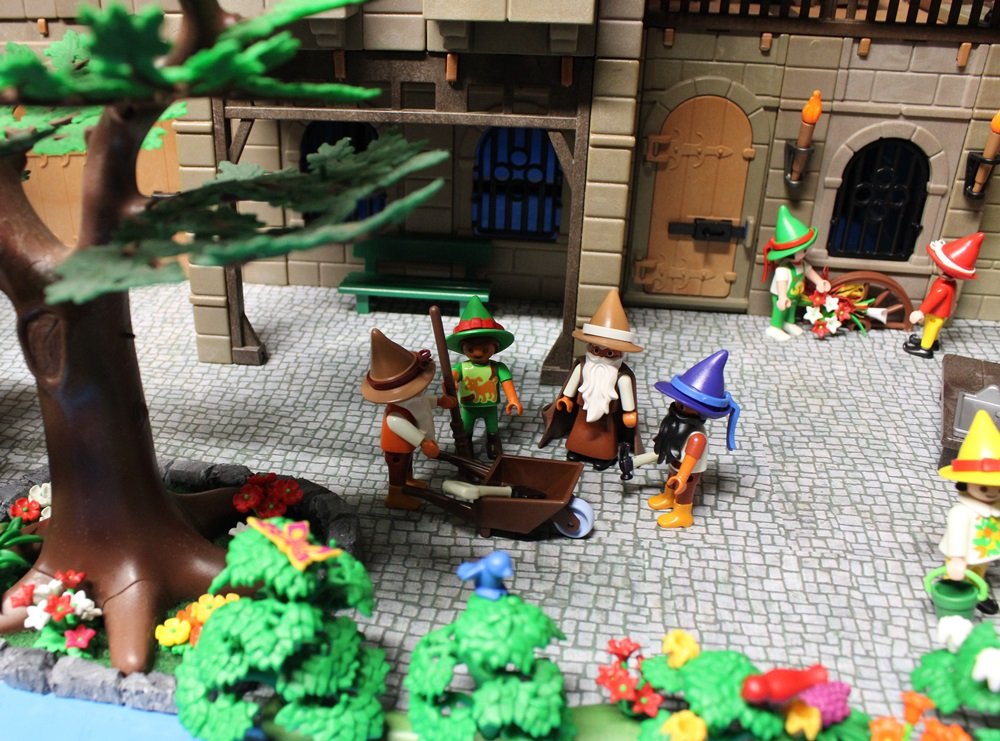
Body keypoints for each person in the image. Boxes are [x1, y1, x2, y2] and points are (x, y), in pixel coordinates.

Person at [539, 289, 642, 470]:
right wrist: (566, 399)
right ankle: (577, 449)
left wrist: (629, 413)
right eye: (596, 350)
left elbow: (628, 399)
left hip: (606, 418)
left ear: (619, 353)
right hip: (583, 411)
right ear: (589, 347)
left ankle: (603, 456)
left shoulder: (621, 377)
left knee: (604, 436)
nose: (601, 356)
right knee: (580, 430)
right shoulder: (583, 366)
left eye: (609, 353)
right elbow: (571, 386)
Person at [361, 329, 457, 510]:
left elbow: (421, 403)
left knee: (407, 464)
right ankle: (395, 495)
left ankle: (408, 481)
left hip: (406, 445)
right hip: (396, 447)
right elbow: (400, 425)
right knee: (398, 470)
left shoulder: (412, 399)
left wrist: (439, 401)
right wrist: (423, 442)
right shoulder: (395, 414)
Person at [647, 350, 741, 528]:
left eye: (683, 405)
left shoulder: (697, 437)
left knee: (684, 490)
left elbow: (690, 459)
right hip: (676, 463)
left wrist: (682, 476)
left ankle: (682, 513)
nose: (677, 406)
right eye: (678, 402)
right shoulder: (678, 425)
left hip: (688, 471)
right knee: (671, 478)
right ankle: (668, 497)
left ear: (700, 410)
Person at [939, 410, 1000, 614]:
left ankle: (977, 590)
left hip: (984, 549)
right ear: (965, 482)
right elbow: (957, 535)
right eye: (983, 487)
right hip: (964, 553)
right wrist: (957, 557)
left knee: (980, 570)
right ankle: (949, 590)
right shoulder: (962, 512)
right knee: (958, 573)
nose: (992, 492)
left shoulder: (996, 507)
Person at [447, 297, 522, 458]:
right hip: (468, 407)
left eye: (484, 349)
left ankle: (493, 443)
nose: (478, 353)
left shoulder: (498, 367)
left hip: (490, 406)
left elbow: (506, 383)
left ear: (495, 347)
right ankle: (466, 447)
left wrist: (513, 399)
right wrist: (451, 381)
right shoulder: (462, 367)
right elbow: (453, 375)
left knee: (492, 428)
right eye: (471, 349)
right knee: (466, 429)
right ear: (463, 348)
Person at [904, 233, 984, 359]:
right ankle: (933, 342)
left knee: (930, 328)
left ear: (944, 269)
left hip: (936, 313)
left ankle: (925, 348)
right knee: (935, 328)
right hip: (943, 314)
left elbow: (932, 300)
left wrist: (921, 311)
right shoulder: (951, 283)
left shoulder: (942, 287)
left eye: (938, 264)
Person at [762, 205, 831, 341]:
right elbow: (781, 284)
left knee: (792, 309)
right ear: (790, 253)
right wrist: (782, 297)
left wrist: (819, 282)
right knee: (780, 311)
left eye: (804, 250)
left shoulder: (803, 264)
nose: (804, 253)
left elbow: (810, 272)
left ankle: (788, 323)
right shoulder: (783, 269)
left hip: (795, 294)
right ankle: (775, 327)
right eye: (801, 251)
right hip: (781, 296)